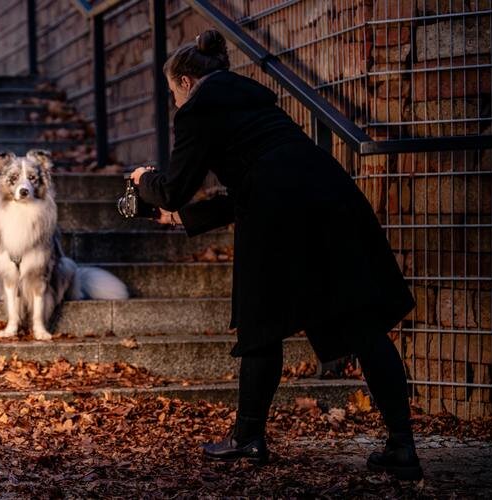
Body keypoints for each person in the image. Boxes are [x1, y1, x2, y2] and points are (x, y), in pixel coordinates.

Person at [130, 30, 422, 480]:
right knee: (362, 324)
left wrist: (143, 180)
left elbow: (172, 189)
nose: (175, 104)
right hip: (331, 197)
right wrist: (182, 218)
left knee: (261, 326)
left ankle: (248, 436)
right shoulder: (256, 101)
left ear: (186, 82)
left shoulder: (198, 110)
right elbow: (255, 180)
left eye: (173, 94)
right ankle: (402, 445)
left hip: (279, 215)